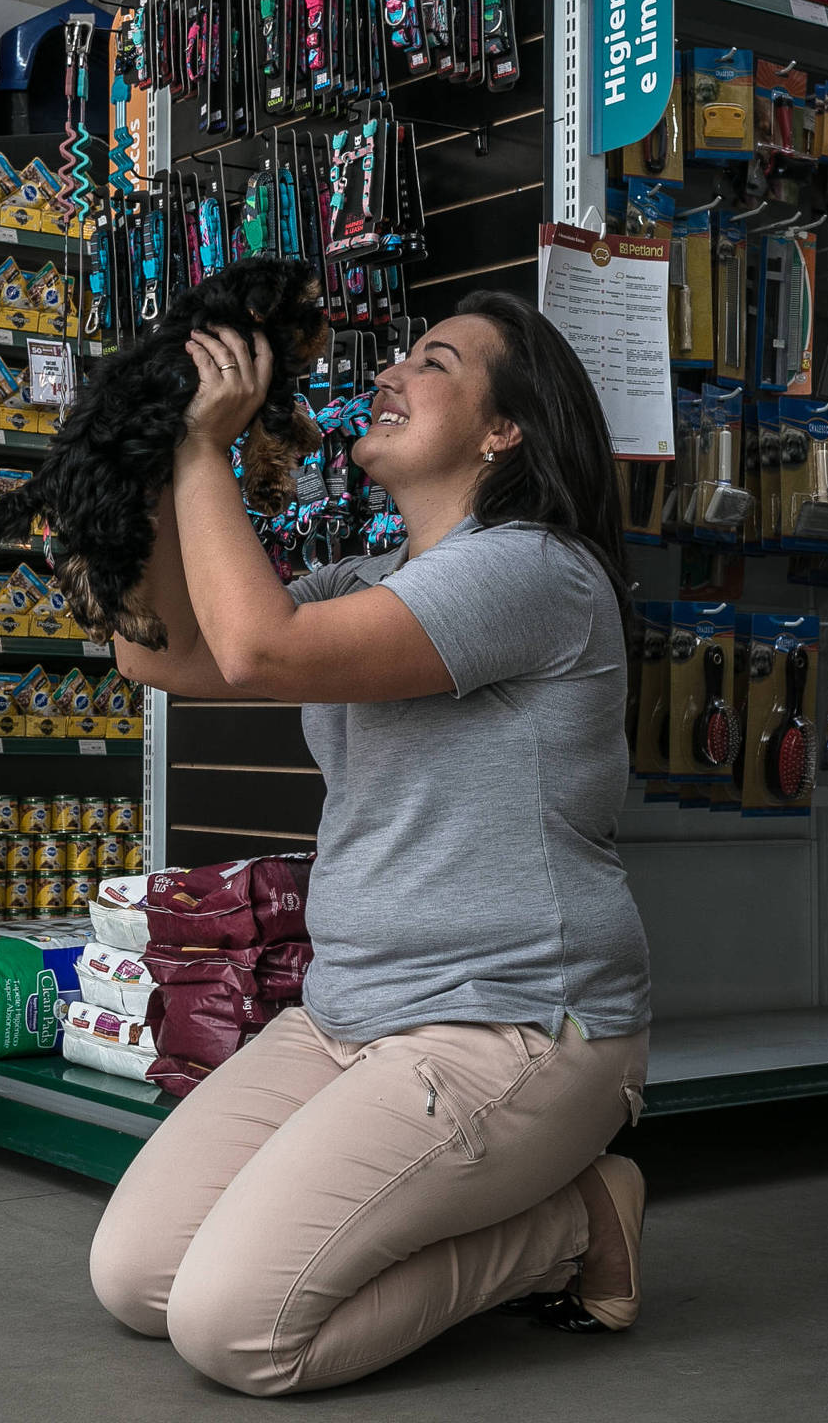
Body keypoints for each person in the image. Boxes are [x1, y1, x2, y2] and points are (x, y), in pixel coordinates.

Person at [90, 291, 651, 1396]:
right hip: (349, 1016)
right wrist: (158, 453)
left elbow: (257, 648)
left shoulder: (534, 569)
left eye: (432, 361)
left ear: (505, 431)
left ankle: (574, 1225)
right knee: (135, 1276)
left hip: (510, 1025)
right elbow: (159, 655)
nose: (390, 372)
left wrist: (208, 443)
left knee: (233, 1330)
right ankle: (528, 1209)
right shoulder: (371, 578)